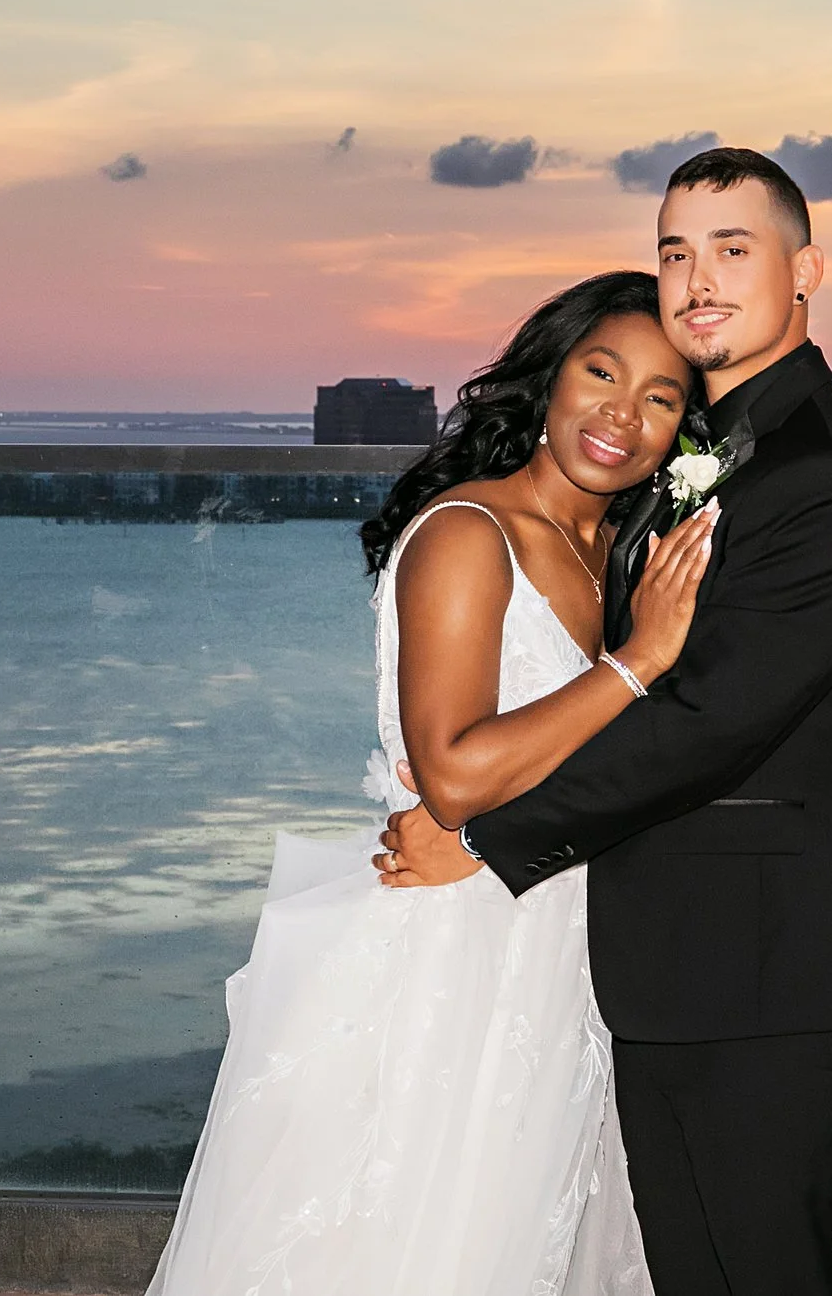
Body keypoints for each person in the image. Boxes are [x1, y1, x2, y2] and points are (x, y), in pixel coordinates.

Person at [380, 148, 832, 1296]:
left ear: (806, 272)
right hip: (685, 971)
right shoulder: (700, 459)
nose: (698, 279)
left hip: (776, 983)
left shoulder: (820, 474)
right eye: (676, 251)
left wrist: (488, 843)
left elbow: (705, 719)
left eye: (734, 250)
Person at [146, 273, 721, 1296]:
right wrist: (636, 662)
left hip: (576, 945)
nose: (620, 414)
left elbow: (657, 753)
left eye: (660, 396)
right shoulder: (469, 534)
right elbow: (452, 772)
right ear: (548, 380)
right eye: (600, 372)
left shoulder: (624, 556)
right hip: (462, 958)